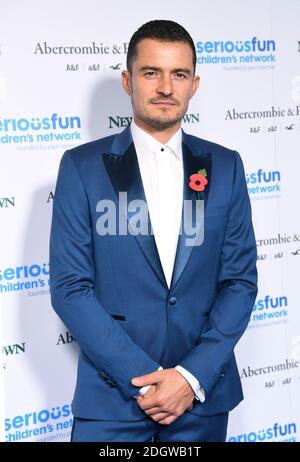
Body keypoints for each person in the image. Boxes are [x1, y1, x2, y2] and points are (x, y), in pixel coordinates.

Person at [49, 19, 258, 442]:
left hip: (202, 402)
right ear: (128, 80)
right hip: (113, 402)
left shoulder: (226, 165)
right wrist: (147, 380)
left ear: (194, 84)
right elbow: (70, 288)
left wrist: (188, 377)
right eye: (151, 72)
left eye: (178, 74)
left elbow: (239, 282)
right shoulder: (82, 167)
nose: (166, 87)